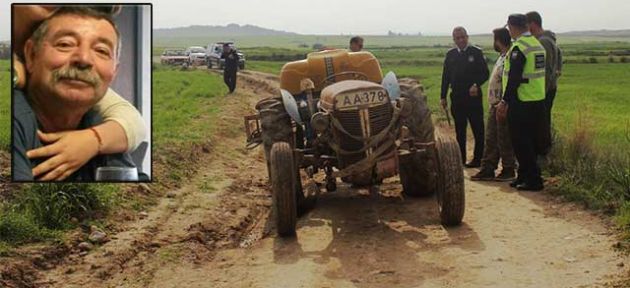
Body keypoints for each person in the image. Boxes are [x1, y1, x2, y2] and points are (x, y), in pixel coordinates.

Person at [12, 5, 147, 181]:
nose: (83, 59)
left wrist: (94, 140)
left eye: (101, 51)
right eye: (65, 44)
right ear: (31, 55)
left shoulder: (93, 119)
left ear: (114, 72)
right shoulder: (16, 116)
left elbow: (132, 120)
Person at [496, 14, 547, 191]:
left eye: (509, 27)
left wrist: (504, 101)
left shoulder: (519, 47)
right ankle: (523, 176)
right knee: (530, 141)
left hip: (522, 101)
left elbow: (514, 78)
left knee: (521, 142)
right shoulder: (536, 44)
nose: (508, 31)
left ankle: (533, 180)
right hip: (537, 100)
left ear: (512, 27)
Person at [440, 26, 490, 167]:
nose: (461, 40)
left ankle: (478, 159)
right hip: (457, 97)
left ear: (467, 37)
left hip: (473, 97)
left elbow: (485, 73)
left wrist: (476, 84)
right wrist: (442, 96)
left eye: (463, 37)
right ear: (454, 39)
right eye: (458, 38)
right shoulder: (450, 55)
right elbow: (446, 77)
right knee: (460, 130)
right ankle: (460, 160)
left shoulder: (476, 52)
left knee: (478, 129)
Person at [471, 28, 516, 181]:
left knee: (504, 139)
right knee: (491, 138)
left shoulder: (509, 56)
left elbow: (509, 82)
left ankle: (508, 169)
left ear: (498, 40)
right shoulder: (502, 56)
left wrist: (504, 102)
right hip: (495, 104)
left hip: (502, 104)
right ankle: (488, 168)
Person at [526, 11, 563, 154]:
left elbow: (545, 71)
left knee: (541, 125)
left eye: (526, 25)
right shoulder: (549, 40)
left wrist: (541, 93)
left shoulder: (543, 42)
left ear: (532, 24)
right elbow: (559, 60)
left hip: (544, 91)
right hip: (547, 89)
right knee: (542, 124)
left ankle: (542, 157)